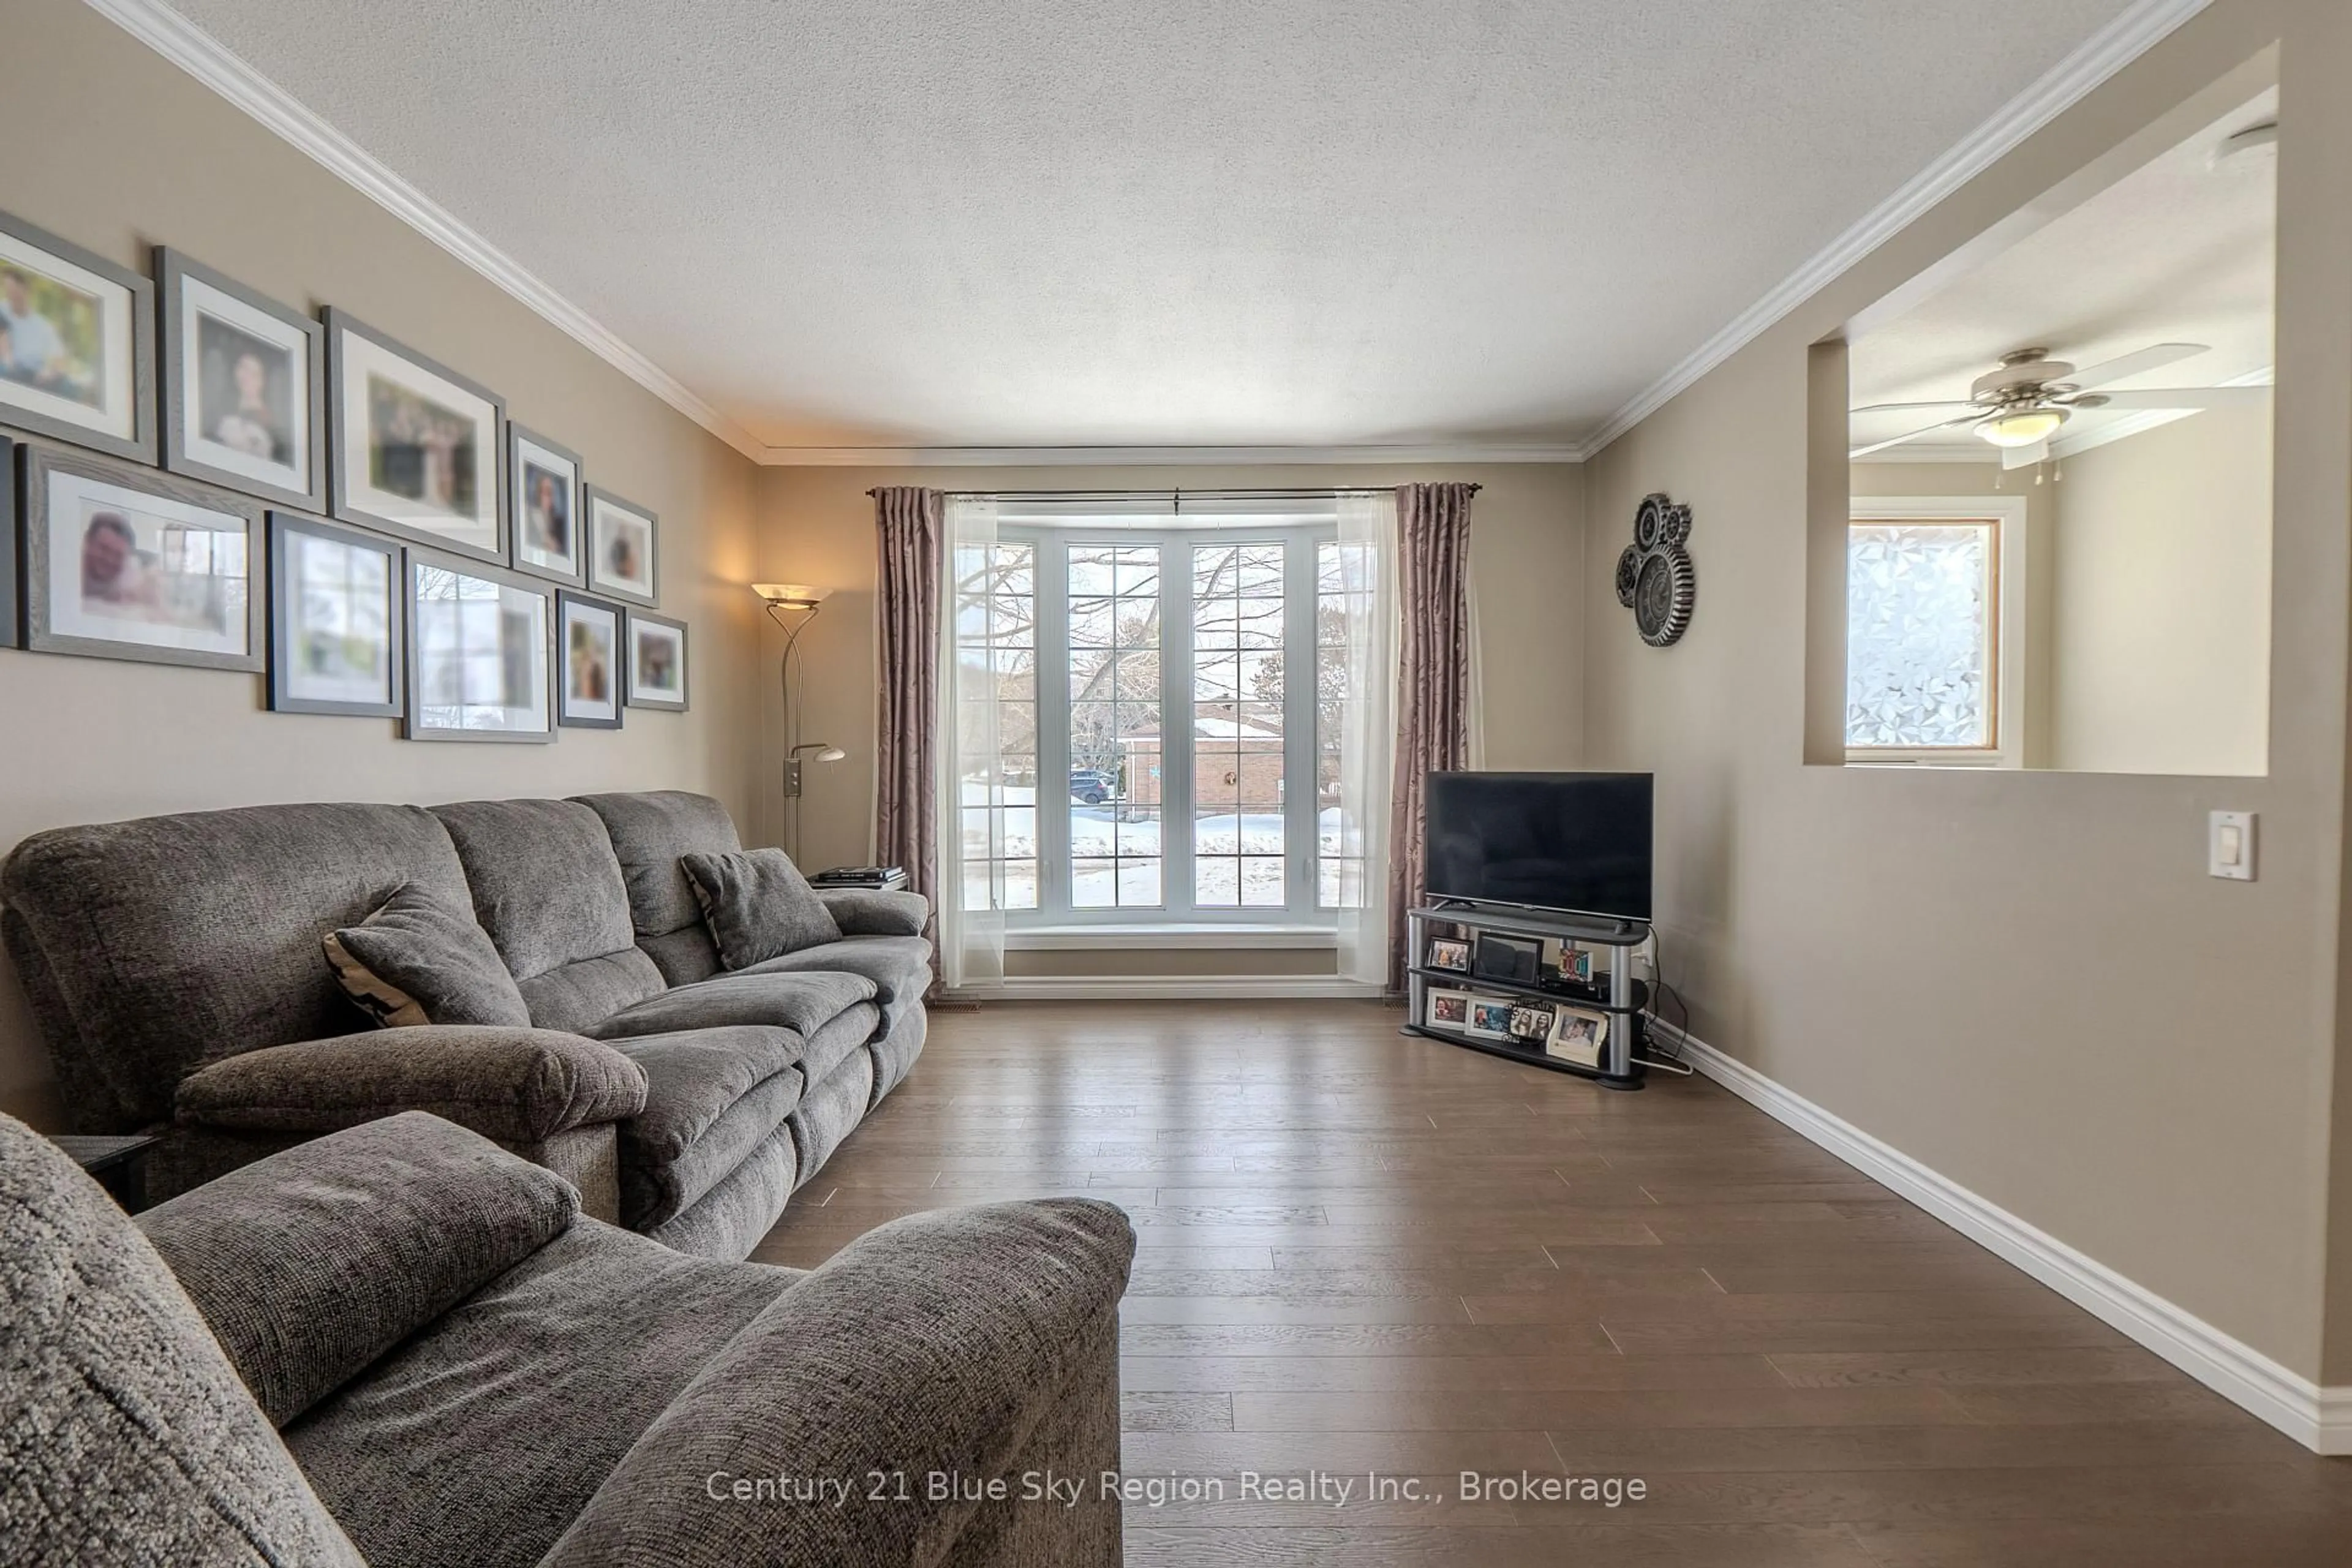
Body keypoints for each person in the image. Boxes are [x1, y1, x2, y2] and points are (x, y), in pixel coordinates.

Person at [209, 349, 286, 464]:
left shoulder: (266, 419)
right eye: (243, 368)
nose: (246, 377)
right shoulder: (223, 409)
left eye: (253, 374)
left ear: (262, 381)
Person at [1, 267, 66, 390]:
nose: (11, 296)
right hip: (8, 371)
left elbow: (58, 358)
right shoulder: (2, 311)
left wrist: (49, 372)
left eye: (15, 291)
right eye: (8, 290)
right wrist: (8, 365)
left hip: (35, 376)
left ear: (26, 290)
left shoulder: (43, 325)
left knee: (67, 385)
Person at [80, 513, 152, 612]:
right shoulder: (67, 568)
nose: (109, 559)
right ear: (88, 541)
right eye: (104, 549)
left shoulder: (132, 577)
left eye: (118, 555)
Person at [527, 469, 569, 556]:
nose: (543, 496)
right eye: (541, 491)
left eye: (548, 492)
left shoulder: (558, 522)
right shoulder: (531, 515)